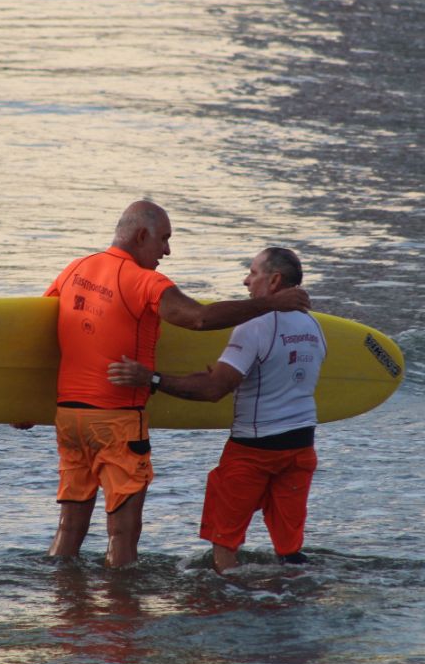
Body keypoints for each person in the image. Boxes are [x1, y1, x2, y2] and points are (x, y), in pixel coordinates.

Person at [23, 201, 310, 569]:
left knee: (68, 529)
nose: (166, 251)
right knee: (122, 536)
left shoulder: (74, 270)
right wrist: (273, 304)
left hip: (69, 420)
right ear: (141, 236)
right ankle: (121, 619)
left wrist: (25, 405)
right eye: (164, 240)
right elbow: (199, 319)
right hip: (117, 422)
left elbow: (42, 336)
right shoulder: (143, 280)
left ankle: (64, 614)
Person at [107, 247, 325, 574]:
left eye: (253, 273)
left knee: (225, 547)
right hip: (301, 449)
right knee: (289, 549)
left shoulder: (255, 325)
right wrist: (224, 375)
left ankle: (229, 606)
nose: (245, 281)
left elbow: (213, 391)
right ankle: (290, 607)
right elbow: (269, 377)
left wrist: (149, 378)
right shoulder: (314, 328)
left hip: (254, 451)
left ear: (275, 280)